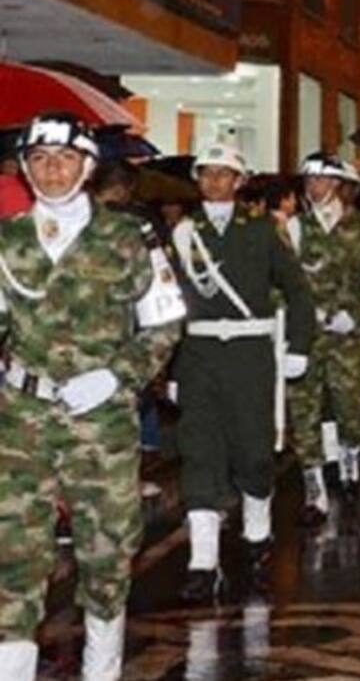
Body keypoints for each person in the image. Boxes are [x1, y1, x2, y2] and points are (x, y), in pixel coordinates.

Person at [0, 113, 185, 681]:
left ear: (87, 166)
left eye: (64, 158)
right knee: (13, 555)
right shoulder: (7, 239)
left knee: (106, 552)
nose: (51, 169)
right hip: (21, 419)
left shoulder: (128, 237)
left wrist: (116, 377)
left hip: (100, 419)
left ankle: (102, 667)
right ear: (26, 170)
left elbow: (164, 322)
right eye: (39, 159)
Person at [171, 144, 316, 602]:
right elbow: (169, 304)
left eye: (224, 174)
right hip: (198, 353)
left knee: (253, 453)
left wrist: (299, 345)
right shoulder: (182, 234)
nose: (214, 182)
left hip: (251, 354)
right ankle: (201, 562)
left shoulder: (261, 232)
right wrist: (173, 364)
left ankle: (257, 537)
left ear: (239, 182)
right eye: (207, 174)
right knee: (199, 454)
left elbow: (297, 289)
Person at [286, 153, 360, 526]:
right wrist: (297, 315)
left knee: (351, 406)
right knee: (304, 409)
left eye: (322, 180)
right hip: (306, 336)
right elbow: (280, 281)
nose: (314, 188)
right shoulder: (295, 228)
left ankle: (348, 458)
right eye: (309, 181)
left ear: (337, 185)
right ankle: (314, 486)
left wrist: (357, 312)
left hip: (346, 336)